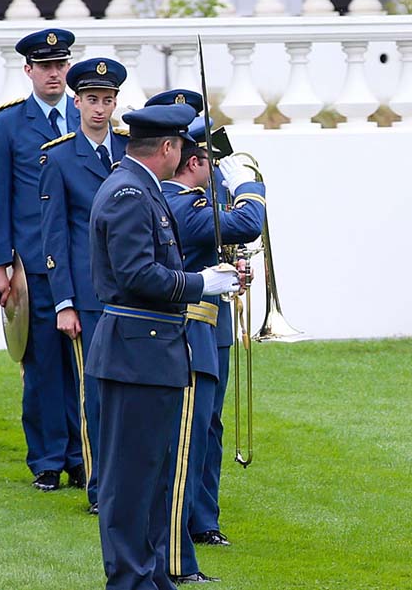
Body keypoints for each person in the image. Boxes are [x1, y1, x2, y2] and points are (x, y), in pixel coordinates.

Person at [86, 103, 239, 590]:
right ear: (169, 148)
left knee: (152, 476)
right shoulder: (131, 193)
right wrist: (201, 283)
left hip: (149, 352)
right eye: (184, 147)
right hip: (137, 353)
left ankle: (150, 576)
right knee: (131, 480)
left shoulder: (138, 189)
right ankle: (131, 580)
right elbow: (135, 275)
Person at [154, 94, 265, 582]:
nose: (216, 169)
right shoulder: (183, 197)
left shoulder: (197, 192)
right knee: (192, 431)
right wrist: (252, 188)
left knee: (211, 425)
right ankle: (185, 525)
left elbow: (219, 237)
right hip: (191, 320)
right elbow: (244, 220)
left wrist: (231, 263)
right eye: (210, 161)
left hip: (213, 317)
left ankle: (204, 519)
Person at [0, 28, 83, 491]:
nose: (54, 73)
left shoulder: (84, 116)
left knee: (83, 366)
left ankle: (82, 455)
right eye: (45, 67)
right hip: (35, 265)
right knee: (42, 365)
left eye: (60, 65)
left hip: (81, 264)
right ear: (28, 71)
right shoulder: (9, 124)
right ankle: (46, 458)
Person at [39, 58, 129, 514]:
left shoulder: (130, 150)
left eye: (107, 100)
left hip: (134, 293)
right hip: (88, 296)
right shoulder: (59, 157)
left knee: (131, 393)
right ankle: (98, 488)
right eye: (92, 99)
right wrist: (64, 302)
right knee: (93, 394)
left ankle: (128, 482)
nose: (100, 109)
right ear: (76, 102)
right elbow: (53, 234)